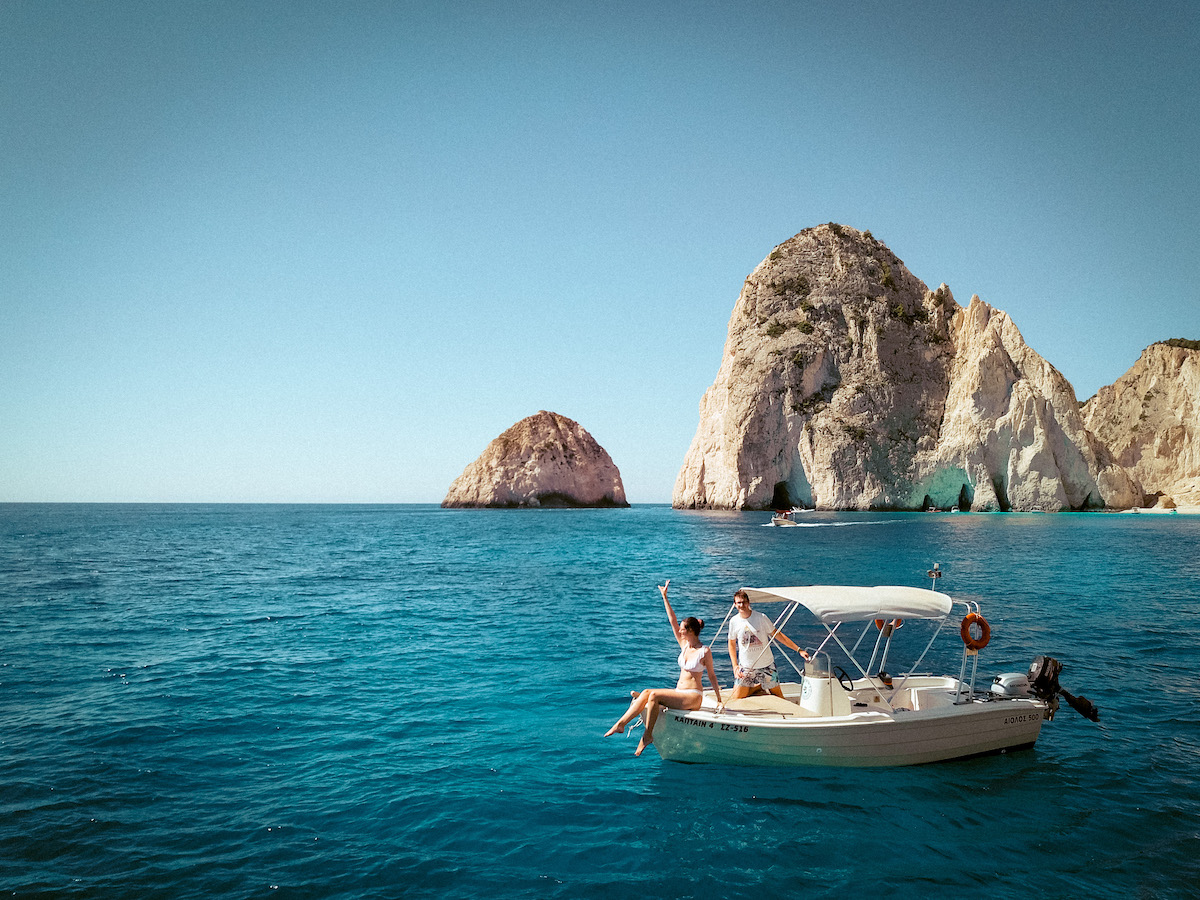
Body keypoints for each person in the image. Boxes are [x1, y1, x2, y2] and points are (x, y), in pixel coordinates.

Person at [605, 580, 723, 756]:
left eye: (683, 629)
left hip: (693, 696)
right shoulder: (684, 644)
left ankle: (647, 735)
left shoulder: (704, 651)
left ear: (691, 630)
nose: (679, 630)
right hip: (679, 692)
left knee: (654, 695)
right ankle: (621, 724)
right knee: (646, 692)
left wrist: (719, 699)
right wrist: (664, 597)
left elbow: (712, 676)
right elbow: (672, 620)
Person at [727, 588, 808, 701]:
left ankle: (761, 686)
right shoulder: (733, 621)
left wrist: (799, 650)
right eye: (739, 603)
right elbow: (731, 644)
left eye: (744, 602)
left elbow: (778, 635)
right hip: (746, 667)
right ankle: (757, 687)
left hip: (767, 666)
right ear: (735, 605)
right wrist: (735, 666)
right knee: (737, 698)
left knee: (779, 696)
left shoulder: (761, 617)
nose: (742, 605)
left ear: (748, 602)